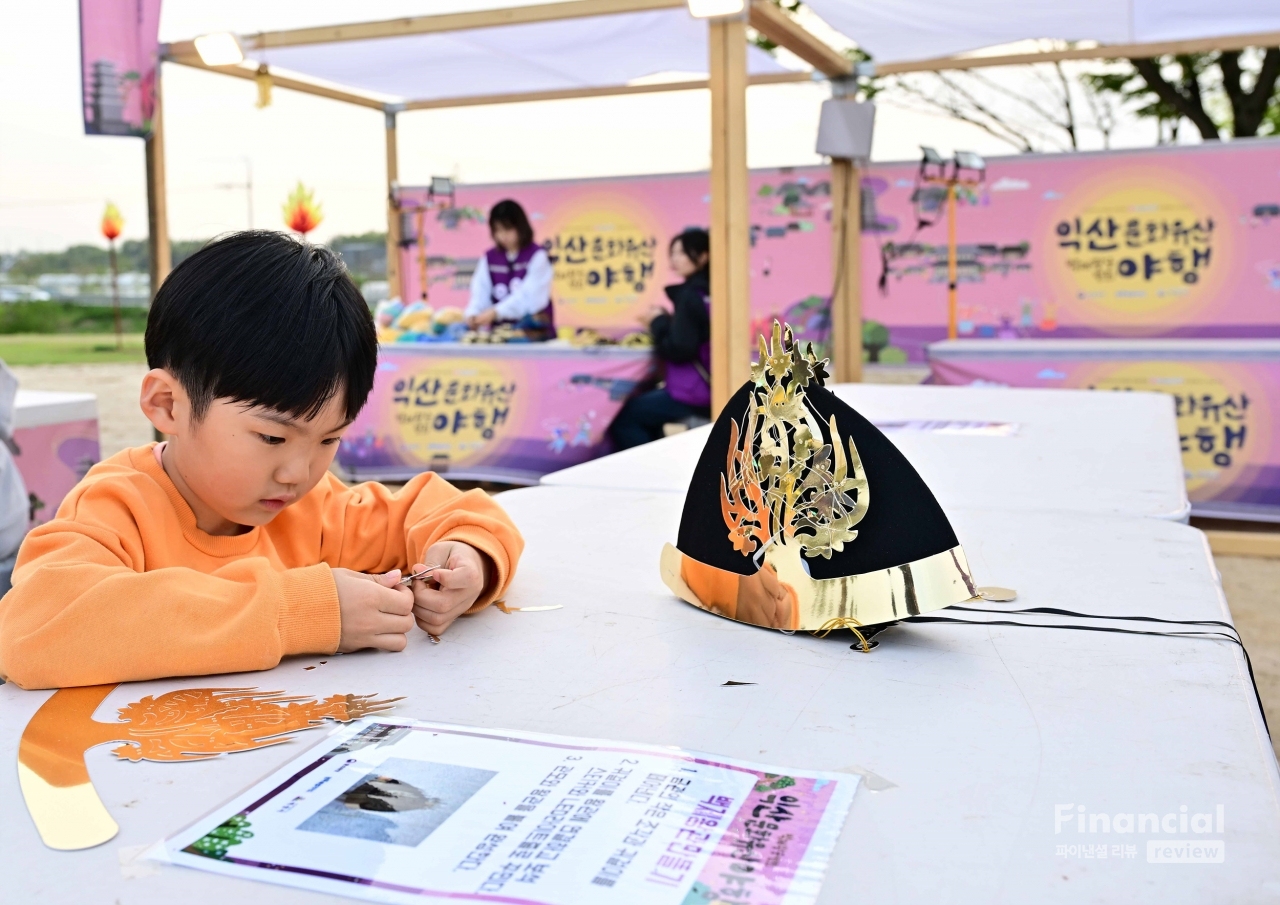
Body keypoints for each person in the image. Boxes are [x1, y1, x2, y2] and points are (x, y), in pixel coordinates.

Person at [0, 231, 524, 690]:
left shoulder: (314, 508)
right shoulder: (119, 506)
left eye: (328, 441)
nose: (298, 474)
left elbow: (448, 511)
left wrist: (467, 560)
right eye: (272, 439)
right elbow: (33, 628)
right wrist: (302, 612)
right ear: (168, 405)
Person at [608, 228, 711, 450]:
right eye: (673, 252)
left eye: (682, 252)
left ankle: (648, 473)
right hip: (709, 386)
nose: (675, 258)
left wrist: (657, 321)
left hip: (692, 393)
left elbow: (678, 348)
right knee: (644, 413)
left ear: (703, 256)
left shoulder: (690, 295)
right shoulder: (711, 292)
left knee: (624, 418)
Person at [465, 199, 554, 340]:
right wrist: (473, 314)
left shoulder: (537, 256)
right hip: (499, 337)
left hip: (533, 336)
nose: (503, 236)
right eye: (497, 230)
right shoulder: (489, 258)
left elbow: (530, 298)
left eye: (507, 229)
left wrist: (496, 312)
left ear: (521, 227)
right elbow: (480, 291)